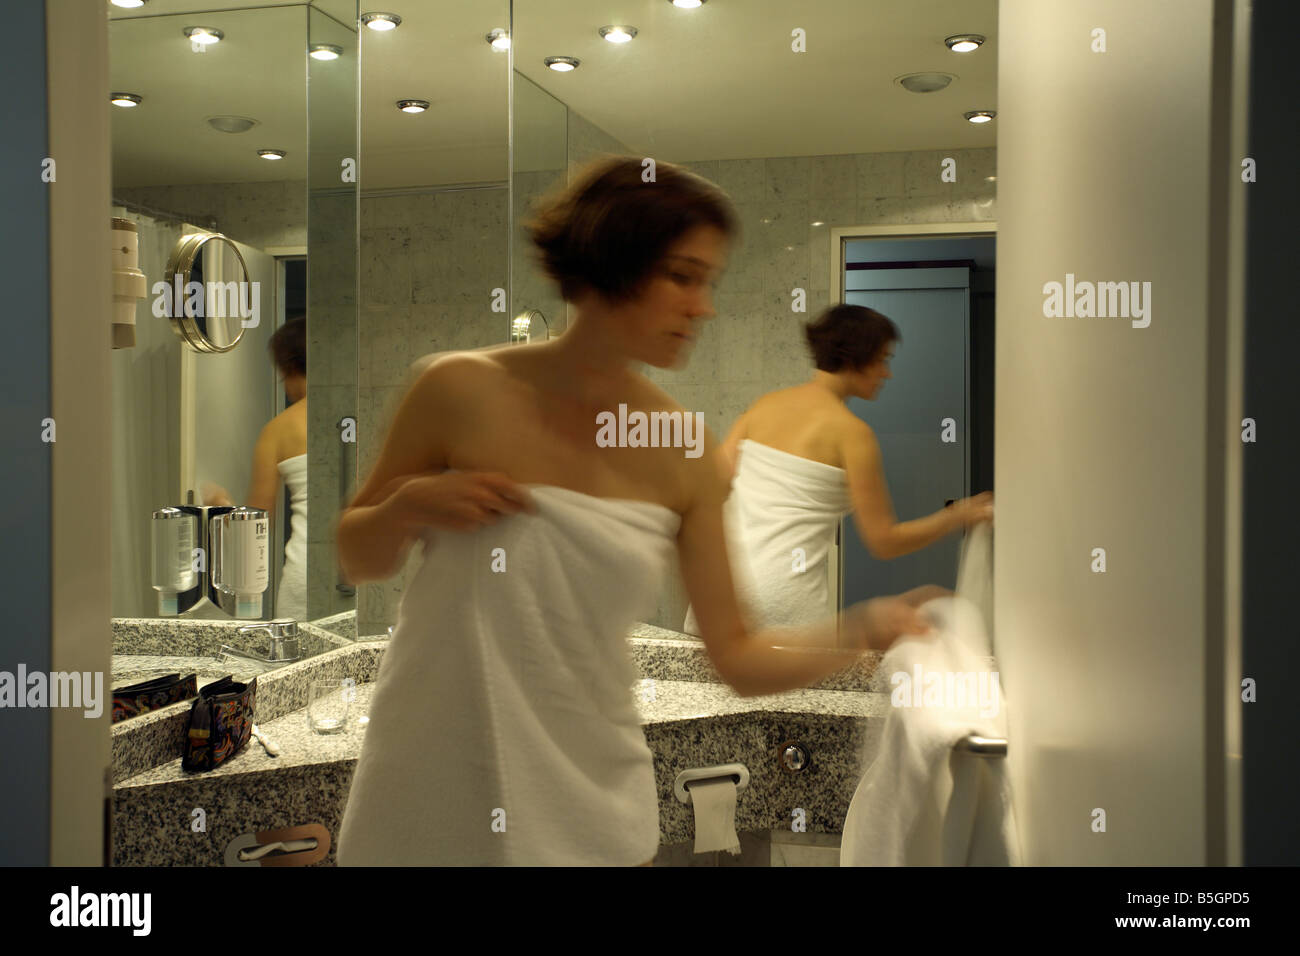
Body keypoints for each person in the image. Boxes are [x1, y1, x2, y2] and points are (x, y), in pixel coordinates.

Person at [333, 156, 939, 867]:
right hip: (427, 792)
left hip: (586, 805)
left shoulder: (681, 446)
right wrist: (408, 506)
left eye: (708, 282)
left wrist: (864, 628)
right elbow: (357, 558)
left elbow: (737, 656)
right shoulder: (458, 389)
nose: (703, 306)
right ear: (610, 263)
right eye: (682, 277)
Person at [683, 304, 993, 635]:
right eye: (883, 360)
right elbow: (884, 541)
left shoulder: (763, 407)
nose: (887, 373)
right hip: (785, 601)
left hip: (719, 593)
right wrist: (957, 515)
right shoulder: (853, 434)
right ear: (856, 355)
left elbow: (708, 488)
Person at [202, 316, 308, 621]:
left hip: (301, 581)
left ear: (289, 368)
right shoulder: (356, 415)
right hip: (355, 576)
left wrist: (222, 507)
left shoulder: (277, 431)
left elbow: (254, 531)